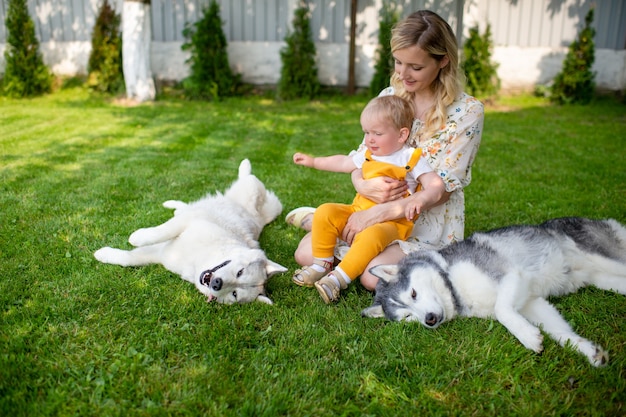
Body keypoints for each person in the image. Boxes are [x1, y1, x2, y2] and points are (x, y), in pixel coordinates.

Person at [286, 10, 484, 292]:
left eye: (415, 67)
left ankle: (319, 226)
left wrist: (380, 213)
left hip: (422, 223)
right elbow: (361, 159)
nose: (403, 74)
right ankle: (318, 221)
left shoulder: (467, 112)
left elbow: (443, 190)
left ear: (443, 60)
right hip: (371, 204)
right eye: (398, 62)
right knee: (305, 255)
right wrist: (364, 186)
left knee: (373, 277)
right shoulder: (390, 97)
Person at [291, 95, 445, 303]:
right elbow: (343, 162)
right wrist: (313, 161)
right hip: (358, 211)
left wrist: (420, 199)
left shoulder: (410, 158)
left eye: (377, 133)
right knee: (325, 211)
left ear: (401, 135)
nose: (369, 139)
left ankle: (338, 279)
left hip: (392, 223)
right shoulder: (369, 154)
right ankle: (322, 264)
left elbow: (436, 185)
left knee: (372, 235)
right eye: (366, 132)